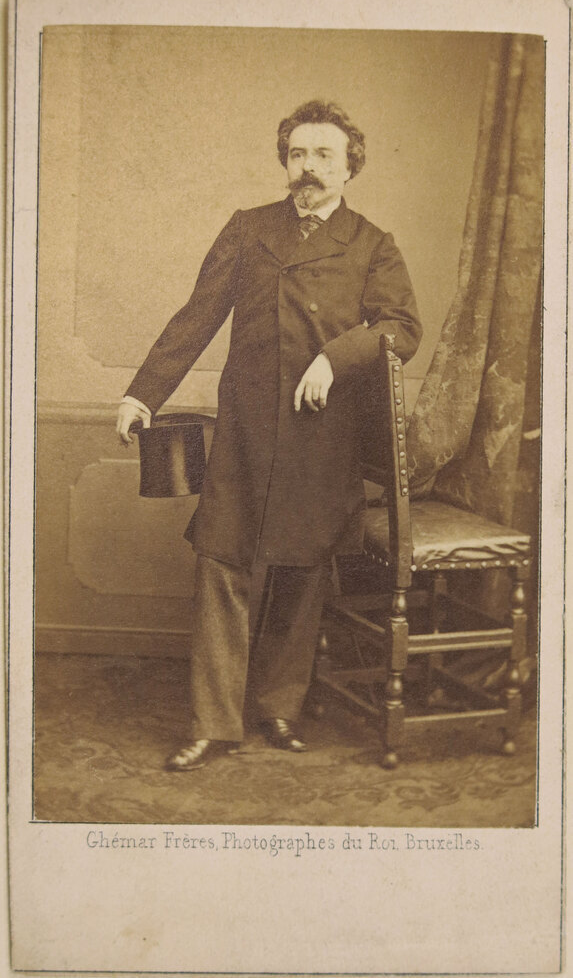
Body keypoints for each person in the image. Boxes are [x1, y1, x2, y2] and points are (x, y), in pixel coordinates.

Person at [116, 100, 422, 770]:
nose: (307, 168)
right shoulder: (249, 229)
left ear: (349, 167)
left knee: (301, 568)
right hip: (246, 429)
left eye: (323, 156)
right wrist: (143, 394)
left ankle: (278, 707)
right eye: (297, 154)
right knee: (221, 564)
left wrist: (335, 358)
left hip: (323, 433)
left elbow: (402, 327)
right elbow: (197, 316)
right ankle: (212, 723)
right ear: (285, 161)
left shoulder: (372, 244)